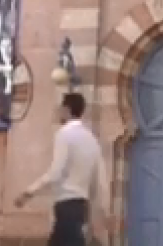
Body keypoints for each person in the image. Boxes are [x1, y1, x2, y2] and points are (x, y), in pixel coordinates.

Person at [14, 93, 107, 246]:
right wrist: (98, 212)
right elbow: (98, 181)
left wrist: (29, 192)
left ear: (67, 110)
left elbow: (55, 172)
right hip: (80, 207)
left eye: (61, 109)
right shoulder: (91, 139)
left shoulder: (64, 134)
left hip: (66, 206)